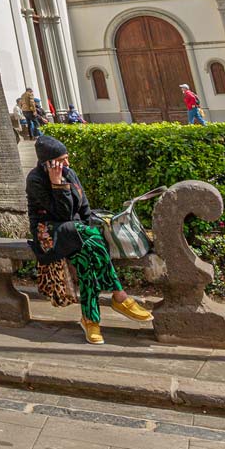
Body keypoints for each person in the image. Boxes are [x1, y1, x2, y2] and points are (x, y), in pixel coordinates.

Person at [26, 135, 152, 344]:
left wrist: (87, 229)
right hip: (48, 233)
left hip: (77, 231)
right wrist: (57, 185)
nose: (67, 163)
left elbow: (84, 207)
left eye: (67, 158)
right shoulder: (36, 179)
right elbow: (62, 215)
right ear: (49, 162)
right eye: (62, 159)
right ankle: (119, 295)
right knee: (85, 234)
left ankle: (90, 320)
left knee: (88, 263)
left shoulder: (70, 174)